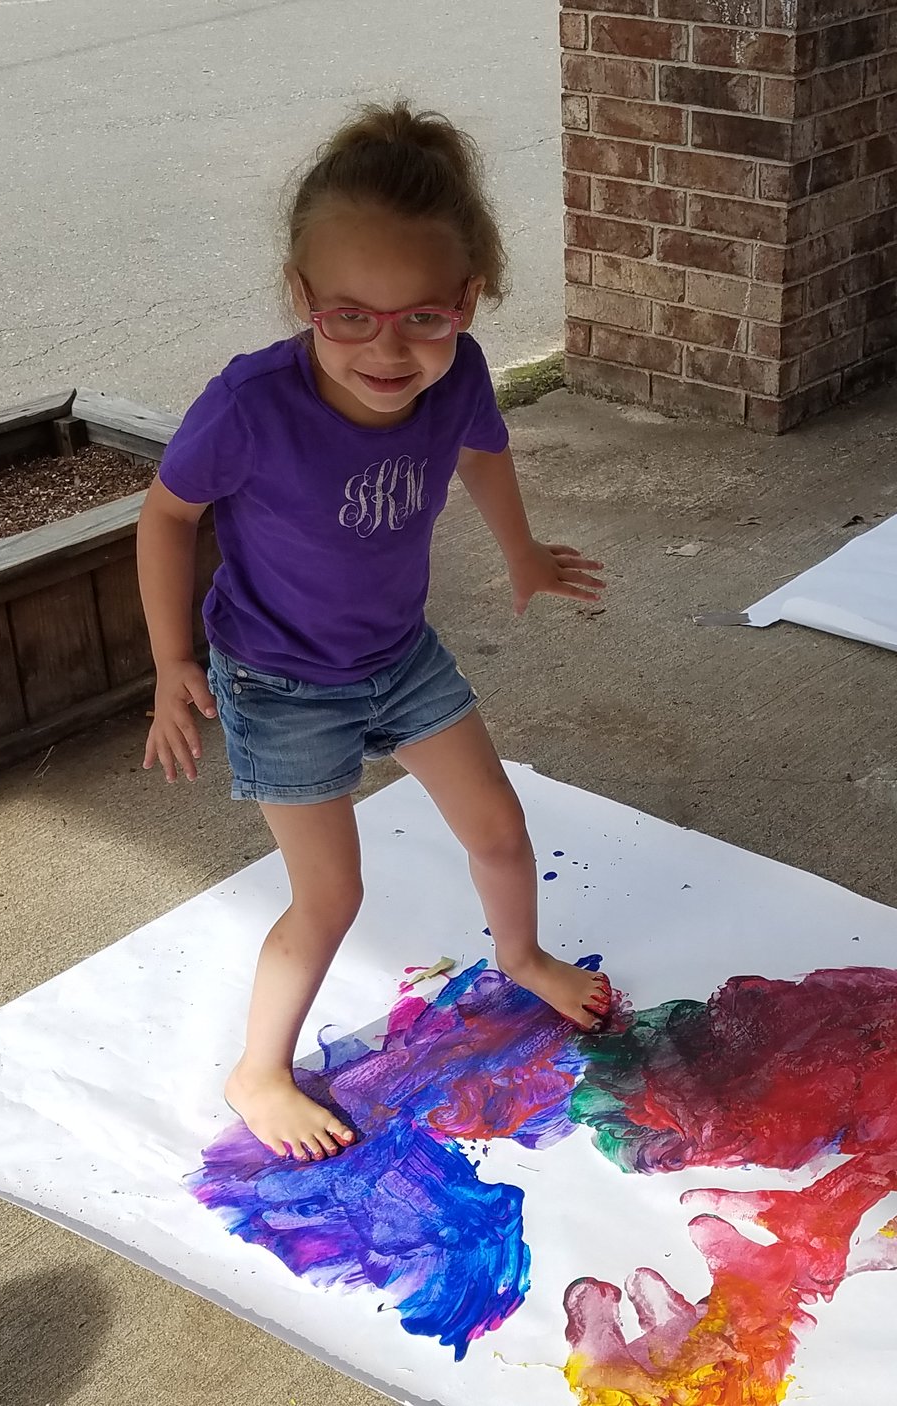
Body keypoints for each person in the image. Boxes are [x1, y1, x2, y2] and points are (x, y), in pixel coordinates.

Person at [136, 102, 612, 1162]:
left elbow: (482, 453)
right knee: (331, 894)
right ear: (303, 298)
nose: (386, 349)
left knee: (496, 824)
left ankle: (524, 957)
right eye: (349, 315)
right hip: (277, 679)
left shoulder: (462, 374)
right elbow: (168, 515)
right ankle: (258, 1067)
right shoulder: (251, 405)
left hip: (399, 653)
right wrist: (173, 663)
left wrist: (523, 554)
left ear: (465, 303)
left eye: (422, 319)